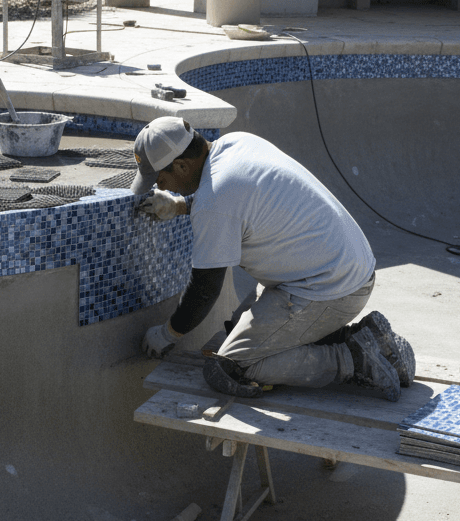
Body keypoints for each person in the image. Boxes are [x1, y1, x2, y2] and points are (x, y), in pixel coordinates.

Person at [133, 116, 414, 400]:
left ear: (181, 165)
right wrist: (182, 205)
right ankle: (369, 338)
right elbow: (235, 198)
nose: (164, 186)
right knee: (236, 331)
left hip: (330, 289)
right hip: (349, 270)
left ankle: (353, 360)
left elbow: (205, 290)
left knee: (231, 366)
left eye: (161, 178)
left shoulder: (214, 203)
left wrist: (168, 334)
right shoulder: (237, 142)